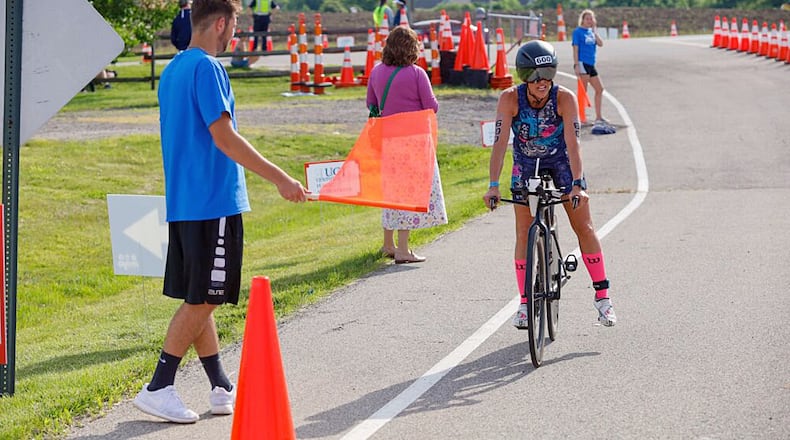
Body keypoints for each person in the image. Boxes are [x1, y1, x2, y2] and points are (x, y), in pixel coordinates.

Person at [132, 0, 307, 424]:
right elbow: (224, 137)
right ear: (222, 23)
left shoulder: (173, 70)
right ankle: (159, 385)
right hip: (214, 203)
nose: (235, 35)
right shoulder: (209, 68)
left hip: (185, 203)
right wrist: (281, 178)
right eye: (234, 27)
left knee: (201, 298)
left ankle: (220, 385)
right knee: (205, 300)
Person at [483, 40, 616, 328]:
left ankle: (603, 298)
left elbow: (574, 143)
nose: (542, 82)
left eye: (547, 75)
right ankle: (524, 303)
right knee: (523, 232)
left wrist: (578, 184)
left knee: (584, 226)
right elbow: (499, 144)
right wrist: (493, 185)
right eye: (535, 76)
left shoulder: (564, 98)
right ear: (524, 76)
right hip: (526, 164)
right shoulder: (509, 99)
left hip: (562, 163)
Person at [366, 26, 447, 264]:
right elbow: (431, 106)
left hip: (387, 139)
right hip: (413, 141)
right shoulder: (417, 74)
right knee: (408, 193)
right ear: (412, 48)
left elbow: (370, 102)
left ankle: (388, 244)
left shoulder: (376, 72)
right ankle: (403, 249)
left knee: (391, 192)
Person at [572, 9, 607, 124]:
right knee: (583, 91)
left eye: (591, 19)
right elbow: (575, 49)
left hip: (591, 64)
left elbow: (601, 44)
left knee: (599, 89)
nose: (589, 21)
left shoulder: (591, 32)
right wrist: (576, 65)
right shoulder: (578, 32)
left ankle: (598, 116)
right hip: (583, 63)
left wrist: (594, 30)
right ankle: (580, 117)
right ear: (582, 20)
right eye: (587, 18)